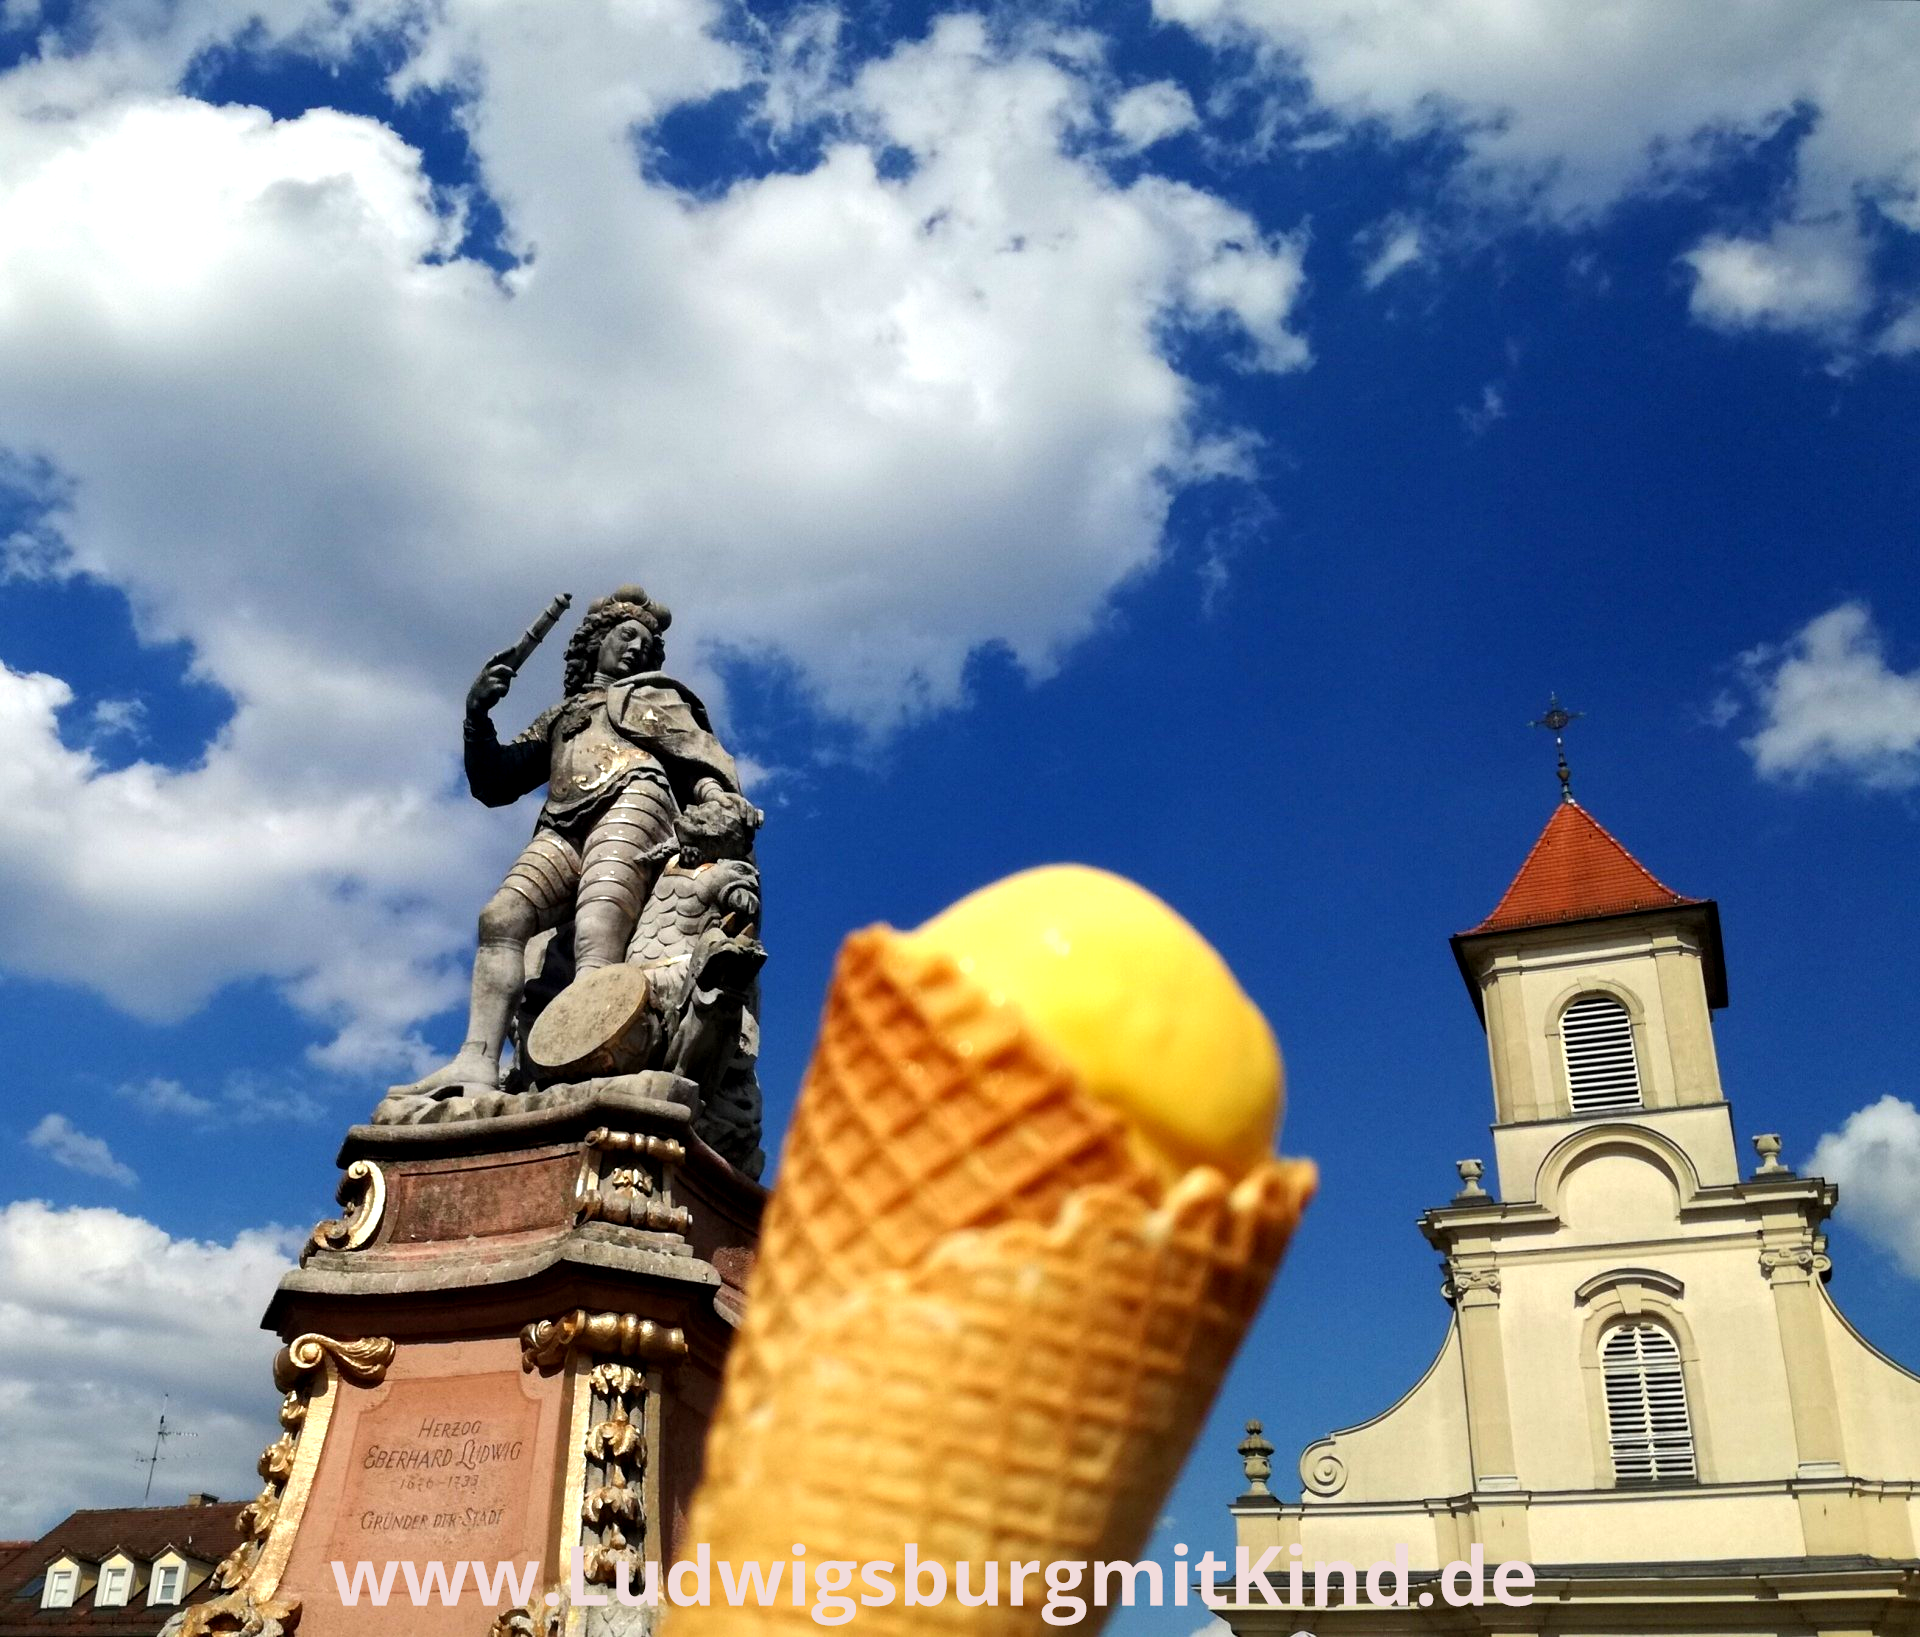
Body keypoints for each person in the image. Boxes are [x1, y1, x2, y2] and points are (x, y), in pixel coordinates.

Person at [394, 585, 742, 1097]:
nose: (635, 650)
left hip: (635, 795)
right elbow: (495, 783)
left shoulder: (657, 696)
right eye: (626, 636)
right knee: (501, 919)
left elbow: (696, 759)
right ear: (595, 641)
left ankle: (584, 1061)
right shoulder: (560, 715)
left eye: (645, 645)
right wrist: (477, 717)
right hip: (561, 823)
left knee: (598, 929)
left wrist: (717, 797)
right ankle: (476, 1062)